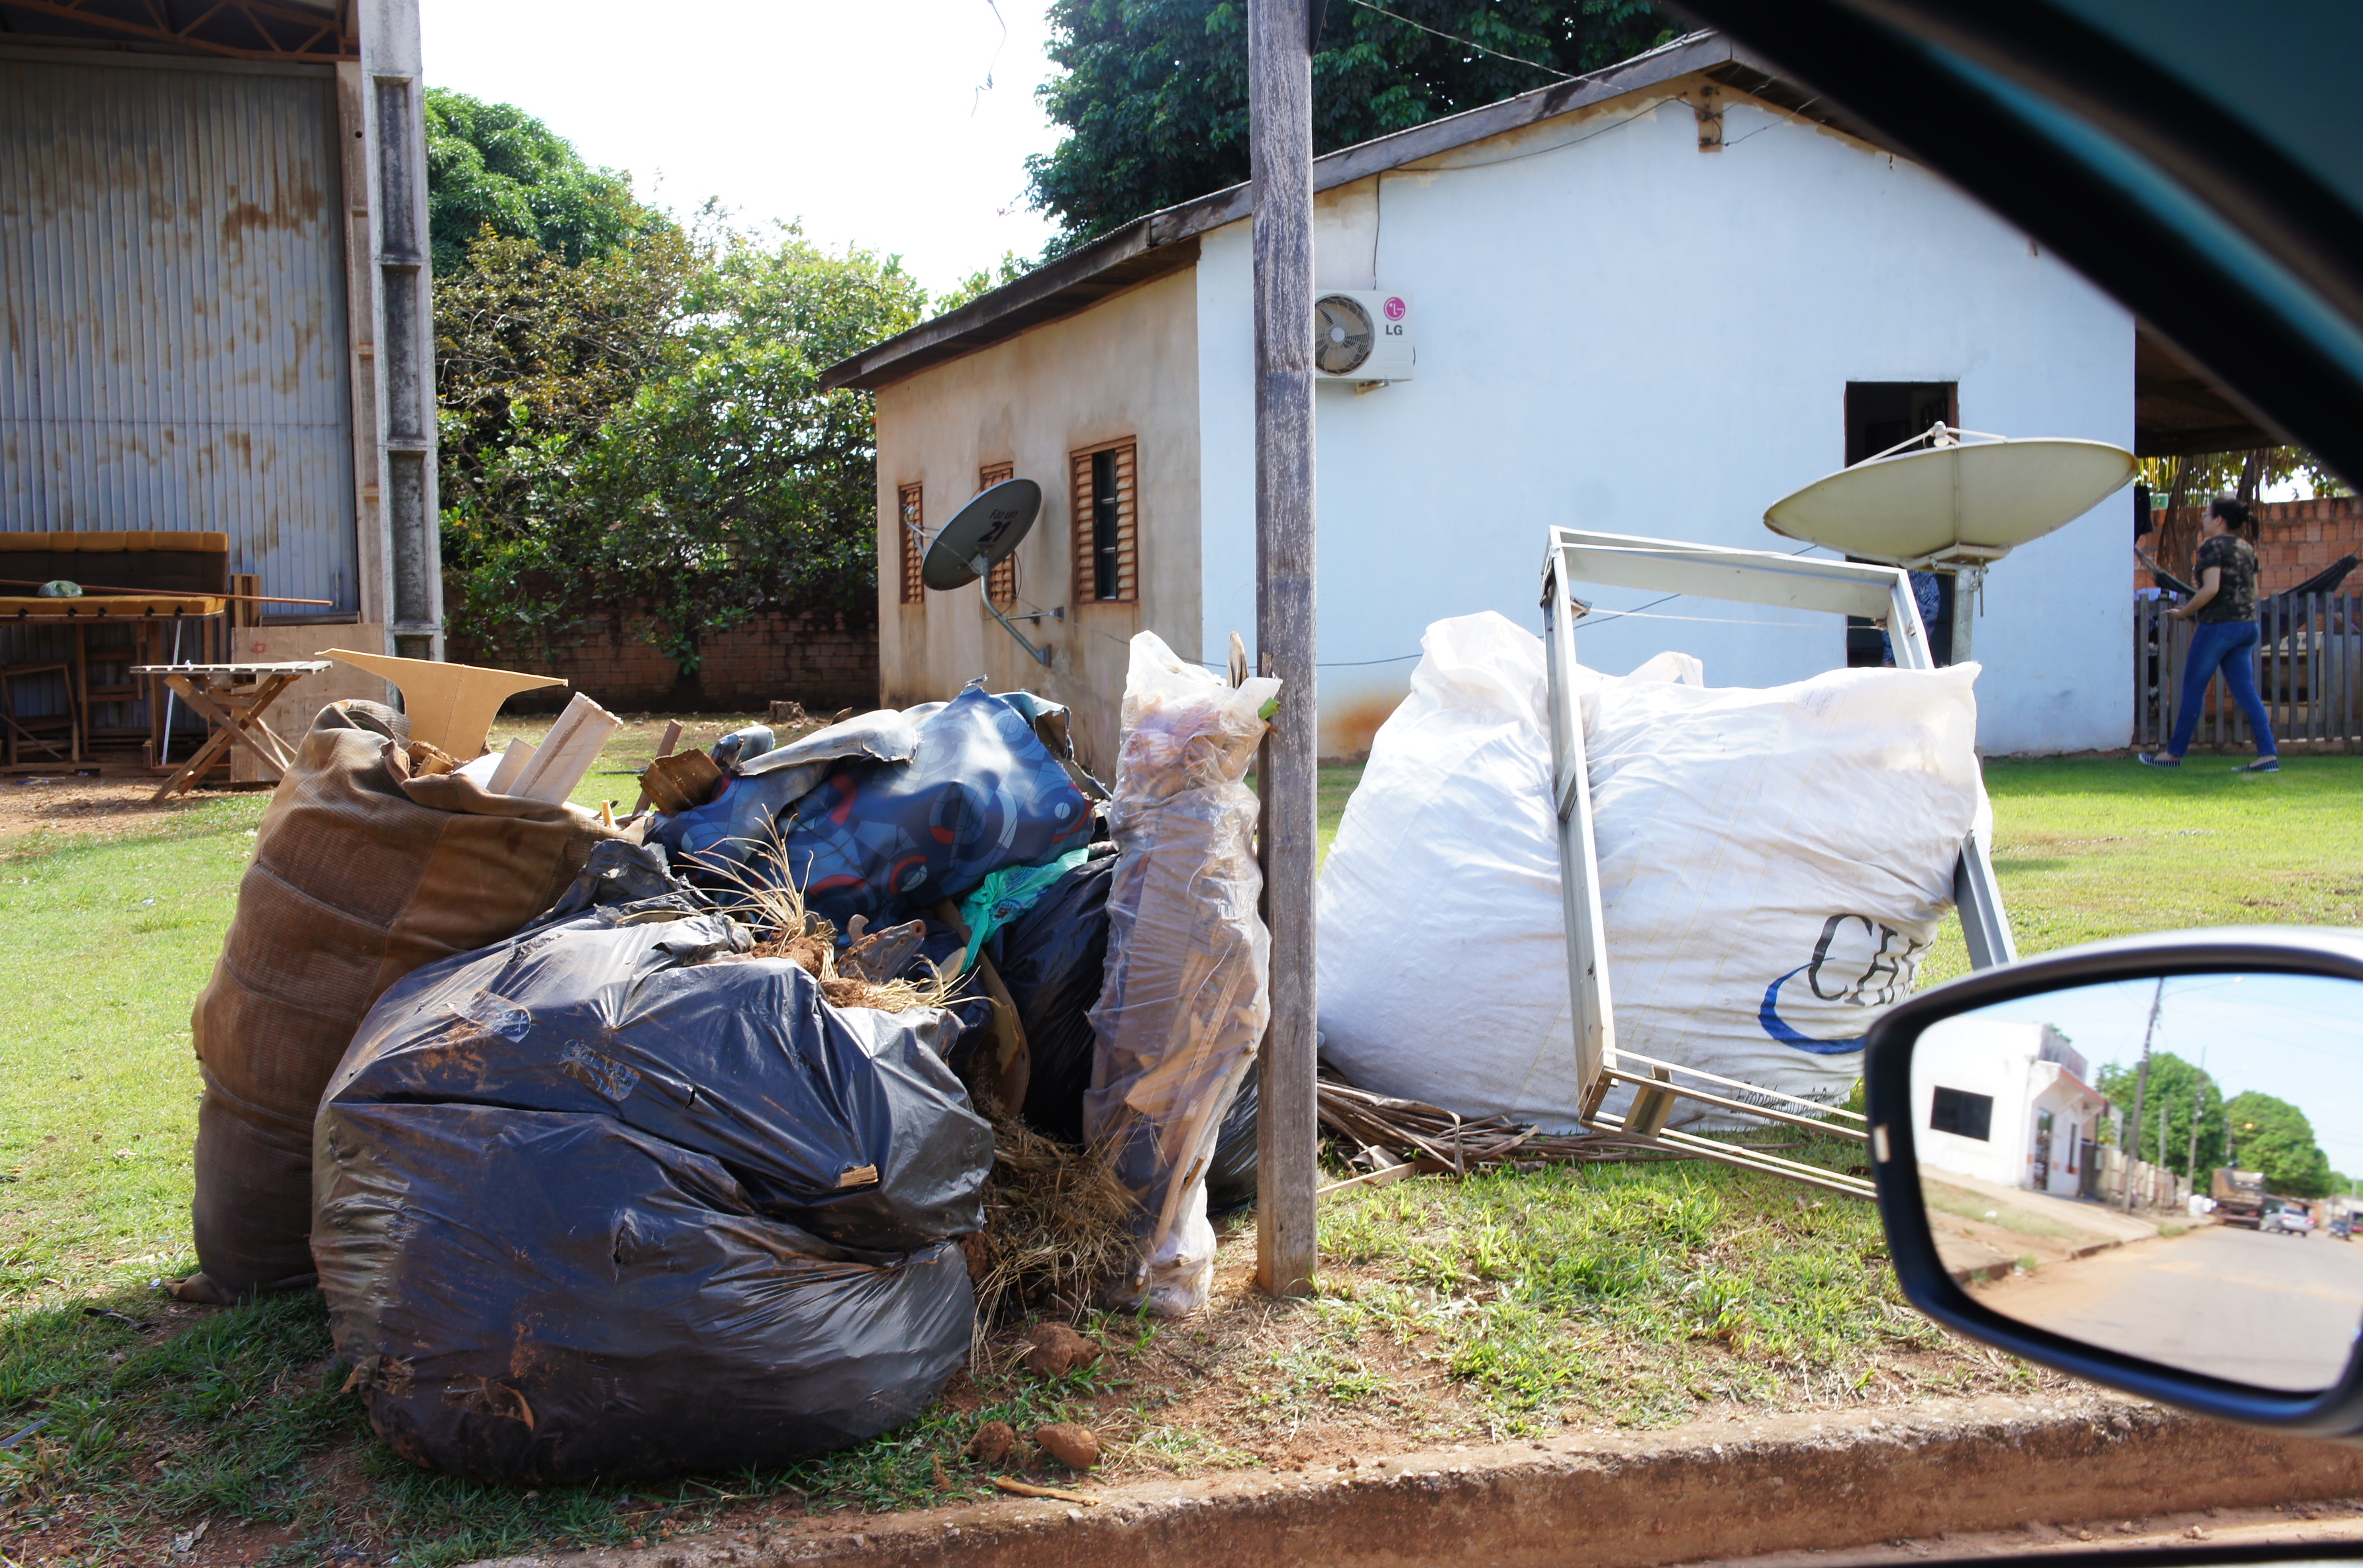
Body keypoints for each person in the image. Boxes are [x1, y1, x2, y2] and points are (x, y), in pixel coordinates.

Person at [2139, 494, 2280, 773]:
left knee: (2193, 688)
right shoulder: (2246, 548)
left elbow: (2211, 588)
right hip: (2247, 627)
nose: (2203, 520)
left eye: (2206, 515)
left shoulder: (2212, 547)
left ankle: (2173, 754)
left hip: (2218, 628)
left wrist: (2184, 613)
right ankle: (2268, 755)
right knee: (2247, 693)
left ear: (2219, 520)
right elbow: (2254, 592)